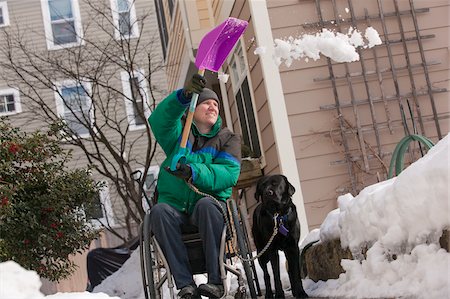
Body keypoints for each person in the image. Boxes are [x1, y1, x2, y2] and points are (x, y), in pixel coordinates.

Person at [148, 74, 241, 299]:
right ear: (193, 108)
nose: (212, 106)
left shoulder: (228, 139)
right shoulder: (177, 136)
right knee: (158, 212)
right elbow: (159, 121)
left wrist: (193, 171)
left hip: (206, 207)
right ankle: (185, 285)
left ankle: (216, 282)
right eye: (206, 102)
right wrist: (184, 96)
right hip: (175, 208)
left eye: (216, 103)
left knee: (207, 206)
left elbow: (228, 174)